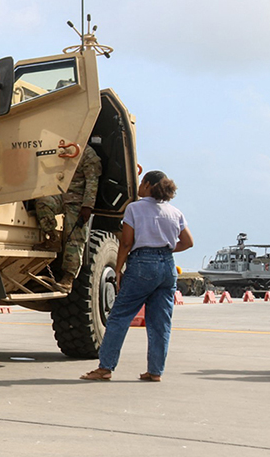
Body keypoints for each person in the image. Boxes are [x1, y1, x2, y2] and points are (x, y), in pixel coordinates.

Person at [81, 171, 193, 382]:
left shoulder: (134, 208)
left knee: (119, 316)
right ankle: (155, 371)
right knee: (160, 322)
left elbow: (125, 243)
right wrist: (165, 249)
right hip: (168, 266)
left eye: (142, 183)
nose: (139, 186)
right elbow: (188, 242)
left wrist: (118, 269)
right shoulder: (174, 212)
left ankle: (105, 367)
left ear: (148, 185)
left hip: (142, 264)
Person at [35, 142, 103, 292]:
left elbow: (92, 181)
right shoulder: (60, 148)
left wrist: (87, 206)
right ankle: (52, 238)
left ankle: (68, 278)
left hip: (77, 201)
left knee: (75, 239)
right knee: (43, 203)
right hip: (60, 195)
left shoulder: (88, 153)